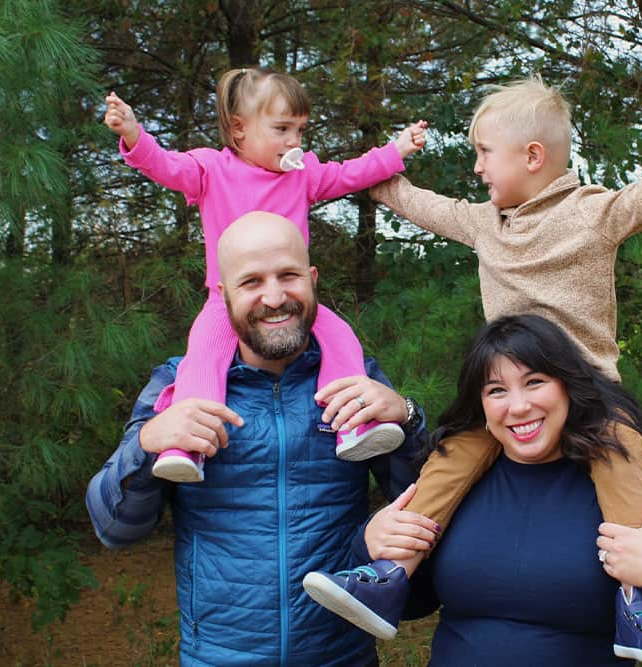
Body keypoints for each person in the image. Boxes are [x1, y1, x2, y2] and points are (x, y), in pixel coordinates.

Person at [304, 73, 642, 660]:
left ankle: (639, 603)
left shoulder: (594, 213)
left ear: (532, 156)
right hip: (505, 395)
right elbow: (421, 204)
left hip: (590, 391)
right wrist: (355, 170)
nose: (478, 167)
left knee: (621, 459)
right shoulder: (487, 224)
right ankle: (390, 576)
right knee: (448, 458)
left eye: (485, 153)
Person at [85, 211, 427, 666]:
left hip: (341, 654)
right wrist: (146, 443)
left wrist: (406, 417)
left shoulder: (357, 382)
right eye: (251, 282)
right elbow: (115, 529)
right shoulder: (178, 386)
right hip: (220, 656)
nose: (274, 296)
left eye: (288, 275)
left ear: (312, 279)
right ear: (223, 296)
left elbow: (423, 500)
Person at [104, 66, 427, 483]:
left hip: (296, 300)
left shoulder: (302, 173)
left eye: (300, 130)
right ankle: (184, 445)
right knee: (201, 360)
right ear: (239, 129)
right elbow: (164, 166)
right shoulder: (209, 170)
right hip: (227, 303)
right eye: (282, 129)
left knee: (342, 340)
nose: (294, 141)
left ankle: (352, 426)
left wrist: (395, 151)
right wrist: (133, 134)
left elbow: (350, 173)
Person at [349, 315, 642, 665]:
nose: (518, 406)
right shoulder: (456, 482)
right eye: (496, 390)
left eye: (534, 382)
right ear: (480, 404)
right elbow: (413, 603)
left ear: (568, 385)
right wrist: (368, 545)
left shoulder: (635, 481)